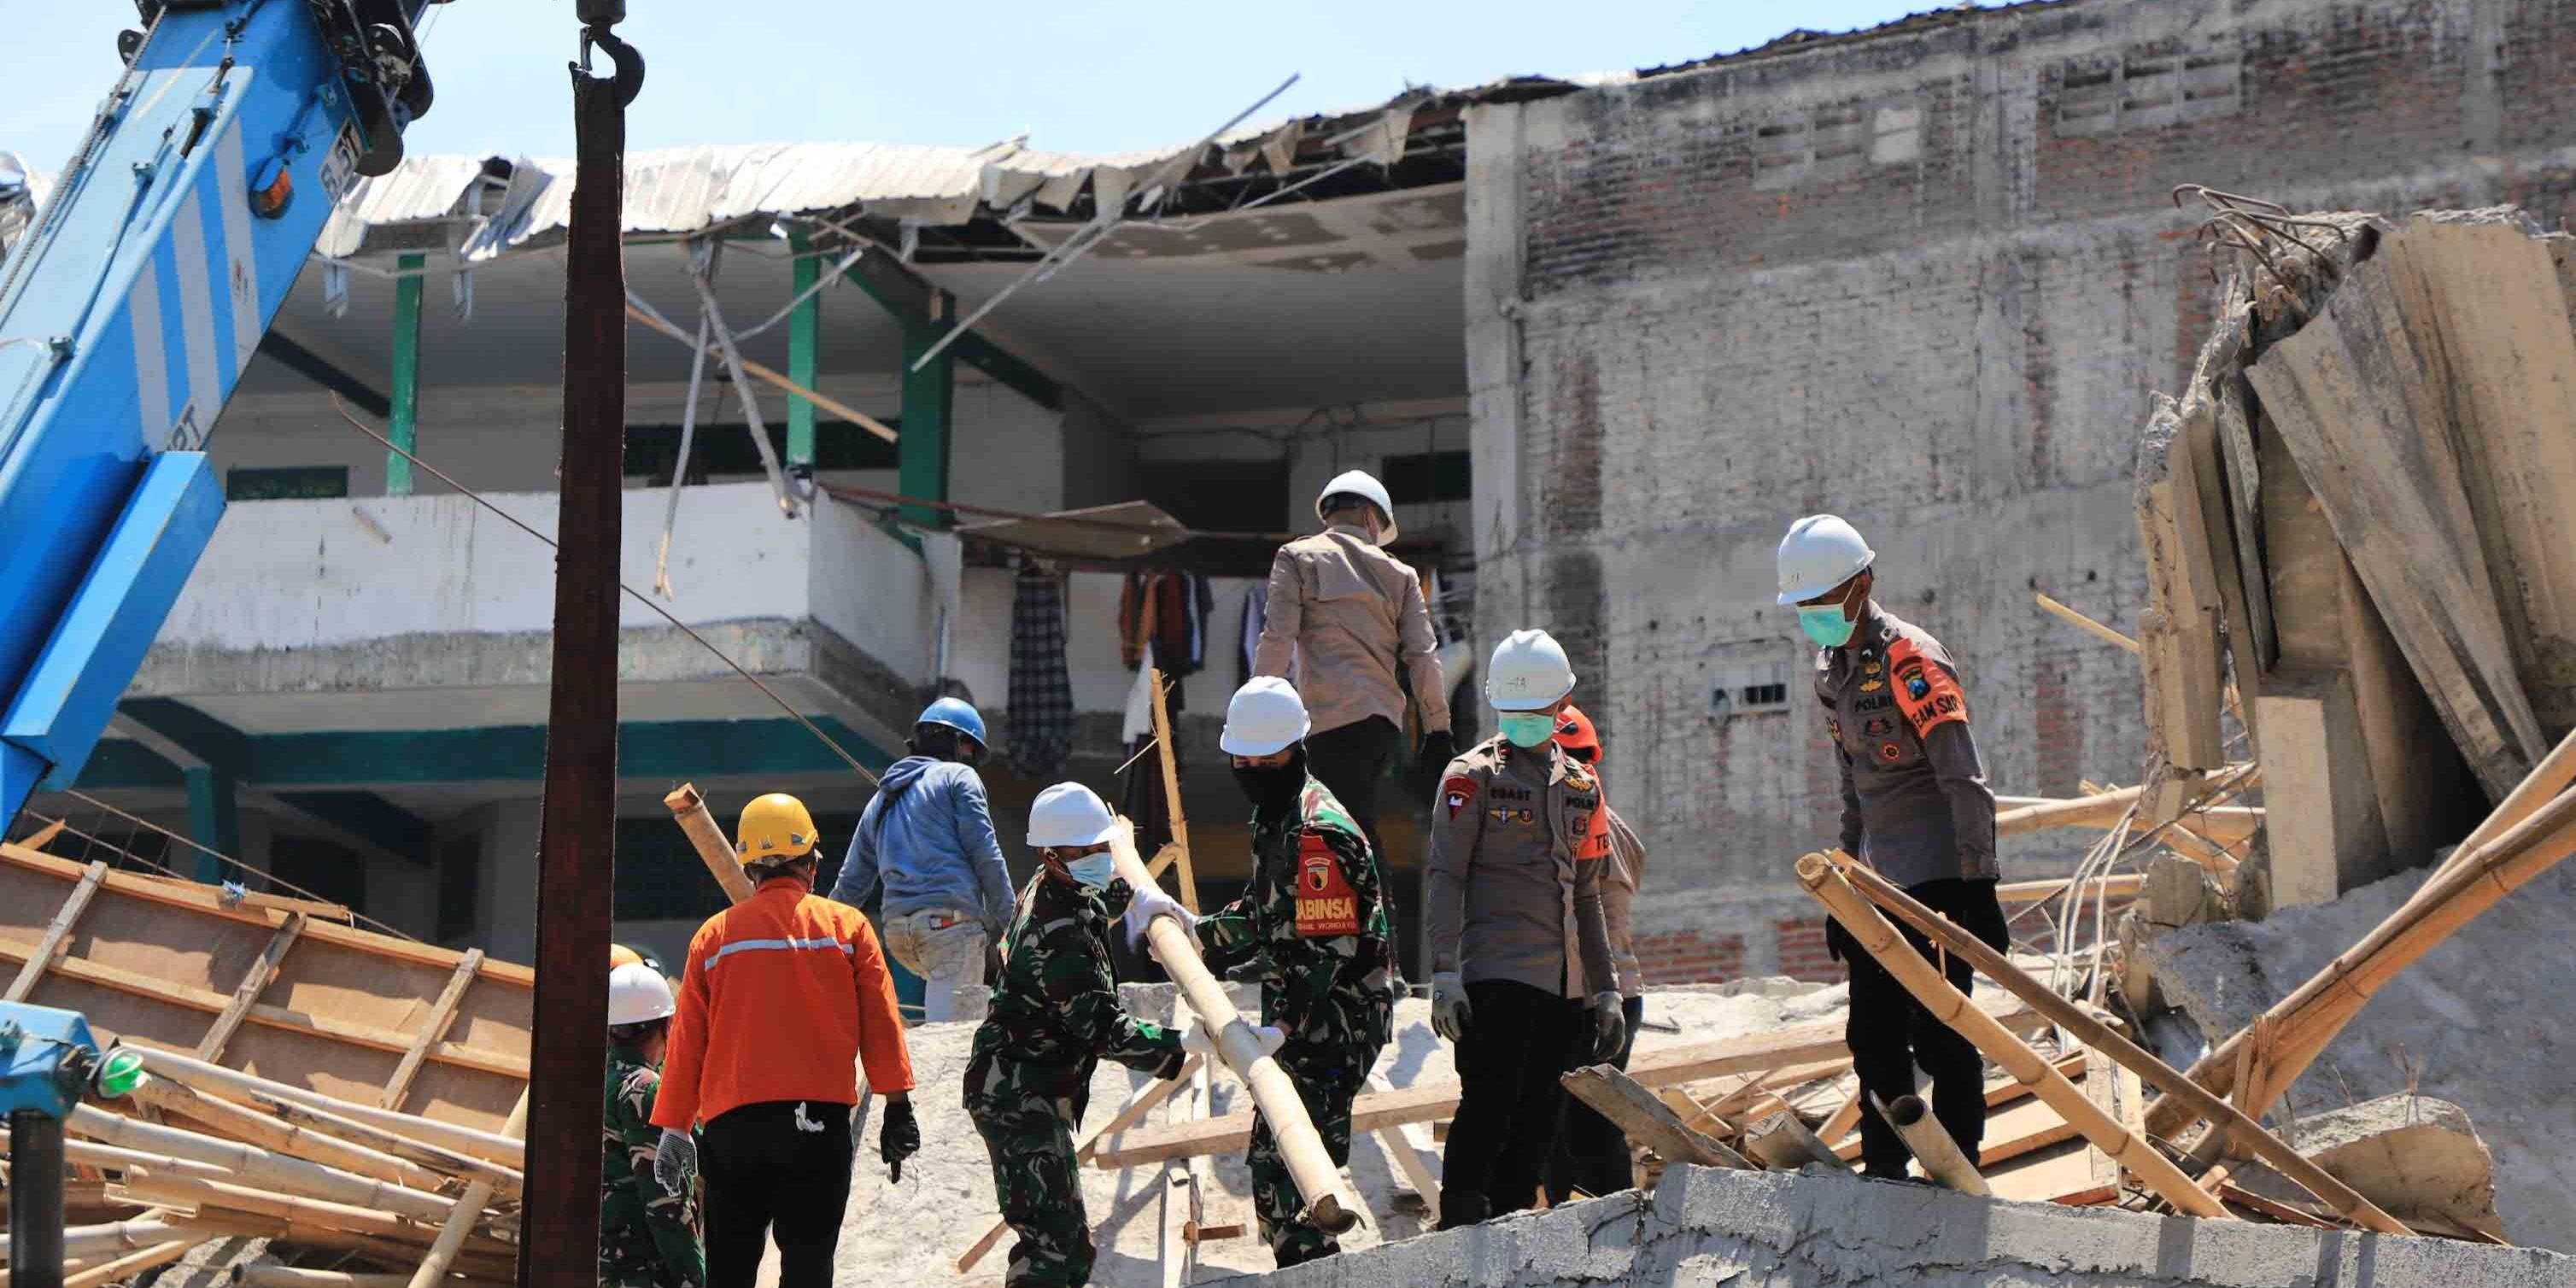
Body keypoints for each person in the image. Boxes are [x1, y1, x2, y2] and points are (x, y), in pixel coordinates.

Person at [1133, 677, 1397, 1268]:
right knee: (1274, 1167)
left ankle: (1312, 1268)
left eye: (1264, 757)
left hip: (1337, 1021)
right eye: (1242, 757)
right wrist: (1193, 931)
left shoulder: (1318, 832)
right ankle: (1302, 1265)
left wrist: (1282, 1028)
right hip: (1299, 1014)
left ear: (1295, 749)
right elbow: (1265, 914)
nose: (1251, 767)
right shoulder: (1273, 819)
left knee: (1297, 1179)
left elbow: (1328, 953)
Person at [1778, 514, 2009, 1181]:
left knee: (1941, 1034)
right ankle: (1885, 1173)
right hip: (1878, 886)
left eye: (1820, 604)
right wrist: (1843, 885)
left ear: (1859, 587)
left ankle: (1961, 1171)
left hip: (1937, 881)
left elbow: (1964, 779)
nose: (1812, 619)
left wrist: (1980, 886)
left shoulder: (1913, 660)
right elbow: (1853, 785)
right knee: (1871, 1037)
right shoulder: (1833, 672)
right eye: (1804, 609)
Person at [964, 782, 1266, 1288]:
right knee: (1057, 1255)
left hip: (1031, 1087)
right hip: (1016, 1095)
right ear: (1054, 854)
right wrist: (1189, 1044)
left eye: (1104, 848)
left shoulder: (1060, 885)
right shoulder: (1055, 934)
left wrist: (1155, 909)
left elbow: (1107, 895)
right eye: (1090, 851)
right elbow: (1104, 1030)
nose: (1103, 858)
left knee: (1056, 1247)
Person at [650, 793, 919, 1288]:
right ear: (812, 864)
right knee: (808, 1267)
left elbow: (688, 1042)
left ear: (750, 868)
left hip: (733, 1133)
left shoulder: (713, 939)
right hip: (818, 1128)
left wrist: (673, 1129)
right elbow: (881, 1022)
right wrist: (897, 1105)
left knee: (730, 1269)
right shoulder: (848, 928)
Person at [1425, 629, 1623, 1227]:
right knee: (1486, 1106)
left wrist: (1606, 987)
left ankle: (1510, 1231)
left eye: (1538, 710)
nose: (1528, 721)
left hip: (1562, 988)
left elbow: (1589, 895)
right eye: (1516, 712)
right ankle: (1459, 1230)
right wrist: (1443, 972)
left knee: (1540, 1119)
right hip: (1494, 977)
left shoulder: (1584, 787)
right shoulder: (1471, 777)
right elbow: (1445, 875)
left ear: (1562, 705)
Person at [1252, 470, 1453, 862]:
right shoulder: (1402, 575)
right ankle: (1374, 913)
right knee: (1352, 820)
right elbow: (1423, 655)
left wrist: (1256, 716)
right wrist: (1439, 730)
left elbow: (1277, 638)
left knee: (1328, 829)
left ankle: (1371, 914)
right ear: (1370, 517)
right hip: (1379, 728)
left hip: (1322, 723)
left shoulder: (1297, 557)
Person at [831, 698, 1014, 1022]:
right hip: (949, 931)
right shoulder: (960, 778)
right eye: (970, 750)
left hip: (899, 936)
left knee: (929, 1038)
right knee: (951, 1047)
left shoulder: (882, 798)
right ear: (958, 744)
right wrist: (1015, 926)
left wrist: (818, 939)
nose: (971, 760)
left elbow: (851, 884)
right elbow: (987, 855)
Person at [1543, 704, 1648, 1203]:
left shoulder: (1577, 827)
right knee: (1591, 1123)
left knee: (1575, 1128)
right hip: (1619, 991)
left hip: (1594, 996)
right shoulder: (1618, 828)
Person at [602, 963, 705, 1288]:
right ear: (667, 1026)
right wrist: (695, 1279)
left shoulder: (599, 1083)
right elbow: (666, 1204)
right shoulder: (644, 1089)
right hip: (644, 1273)